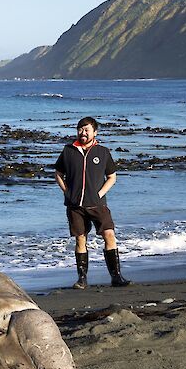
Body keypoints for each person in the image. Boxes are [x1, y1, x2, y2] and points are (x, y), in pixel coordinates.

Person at [54, 116, 131, 289]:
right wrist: (67, 192)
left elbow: (112, 177)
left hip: (98, 204)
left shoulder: (102, 152)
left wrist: (99, 193)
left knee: (109, 234)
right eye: (80, 129)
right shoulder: (68, 151)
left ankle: (116, 277)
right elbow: (58, 174)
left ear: (94, 132)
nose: (83, 132)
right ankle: (82, 279)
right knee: (80, 239)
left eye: (87, 130)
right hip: (75, 206)